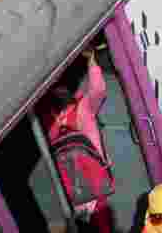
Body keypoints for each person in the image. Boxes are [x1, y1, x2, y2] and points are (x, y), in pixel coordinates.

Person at [38, 47, 113, 233]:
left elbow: (98, 89)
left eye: (64, 86)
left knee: (100, 224)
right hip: (74, 186)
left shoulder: (82, 108)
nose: (61, 90)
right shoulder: (51, 116)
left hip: (88, 184)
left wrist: (91, 61)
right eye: (57, 87)